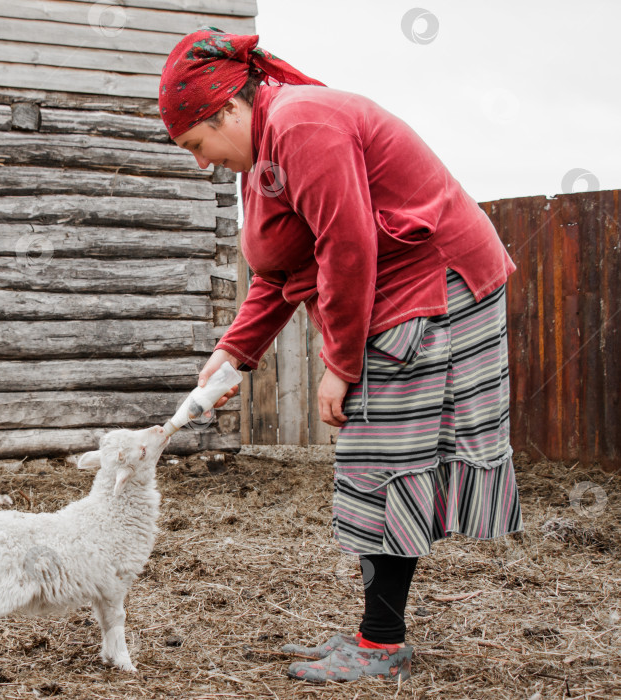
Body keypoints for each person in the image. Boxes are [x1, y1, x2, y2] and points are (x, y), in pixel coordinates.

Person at [159, 28, 524, 683]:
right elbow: (277, 271)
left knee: (384, 462)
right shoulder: (263, 157)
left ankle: (380, 645)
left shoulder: (302, 127)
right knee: (377, 464)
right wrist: (234, 353)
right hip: (397, 292)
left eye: (196, 144)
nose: (200, 162)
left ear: (228, 112)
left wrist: (341, 365)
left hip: (434, 289)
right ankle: (376, 634)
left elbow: (349, 245)